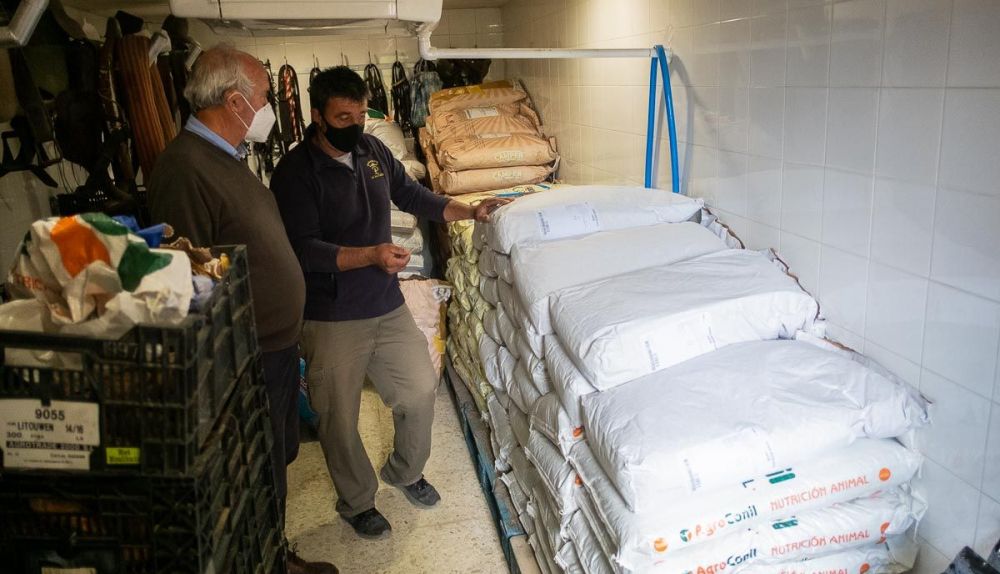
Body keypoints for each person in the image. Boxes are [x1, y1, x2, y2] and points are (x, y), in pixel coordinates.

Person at [269, 66, 510, 539]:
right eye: (343, 116)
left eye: (359, 114)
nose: (354, 124)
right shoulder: (294, 174)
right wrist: (371, 255)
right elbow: (303, 249)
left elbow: (411, 193)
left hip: (385, 303)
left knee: (419, 390)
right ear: (316, 116)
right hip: (332, 315)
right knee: (338, 416)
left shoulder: (372, 150)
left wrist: (468, 209)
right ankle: (357, 501)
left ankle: (404, 471)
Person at [146, 45, 337, 574]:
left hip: (270, 345)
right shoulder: (185, 168)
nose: (269, 107)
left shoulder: (223, 158)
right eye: (264, 97)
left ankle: (274, 551)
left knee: (275, 460)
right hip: (244, 356)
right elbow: (188, 279)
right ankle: (266, 562)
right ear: (234, 102)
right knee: (255, 468)